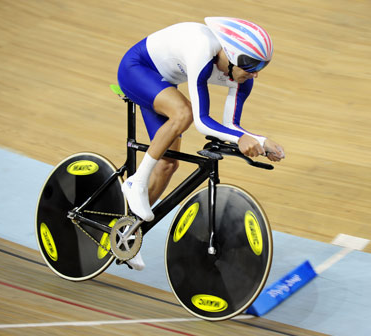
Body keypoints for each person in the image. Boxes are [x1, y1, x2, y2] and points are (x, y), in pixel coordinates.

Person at [117, 17, 285, 270]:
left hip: (162, 83)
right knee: (183, 112)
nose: (256, 73)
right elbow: (201, 121)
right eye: (251, 64)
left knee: (168, 165)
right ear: (230, 54)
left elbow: (231, 126)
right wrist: (241, 139)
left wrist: (261, 140)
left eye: (262, 65)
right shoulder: (201, 49)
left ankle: (126, 234)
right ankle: (135, 181)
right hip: (136, 69)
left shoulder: (244, 78)